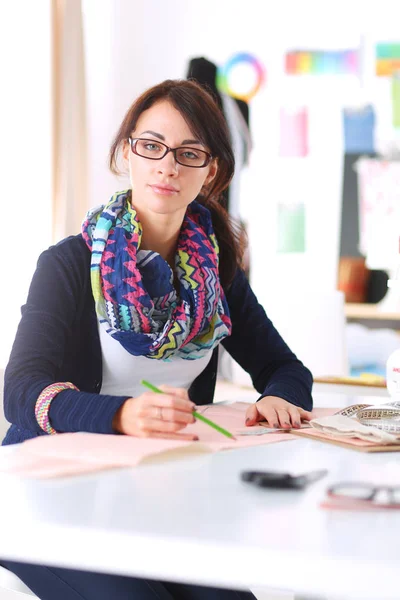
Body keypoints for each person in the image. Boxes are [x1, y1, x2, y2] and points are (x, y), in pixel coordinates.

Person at [1, 79, 313, 600]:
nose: (167, 166)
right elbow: (19, 392)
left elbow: (286, 369)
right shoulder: (69, 264)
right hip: (43, 492)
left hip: (150, 492)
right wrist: (121, 415)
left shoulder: (219, 273)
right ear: (128, 152)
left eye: (189, 153)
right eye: (152, 146)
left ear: (209, 171)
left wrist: (282, 397)